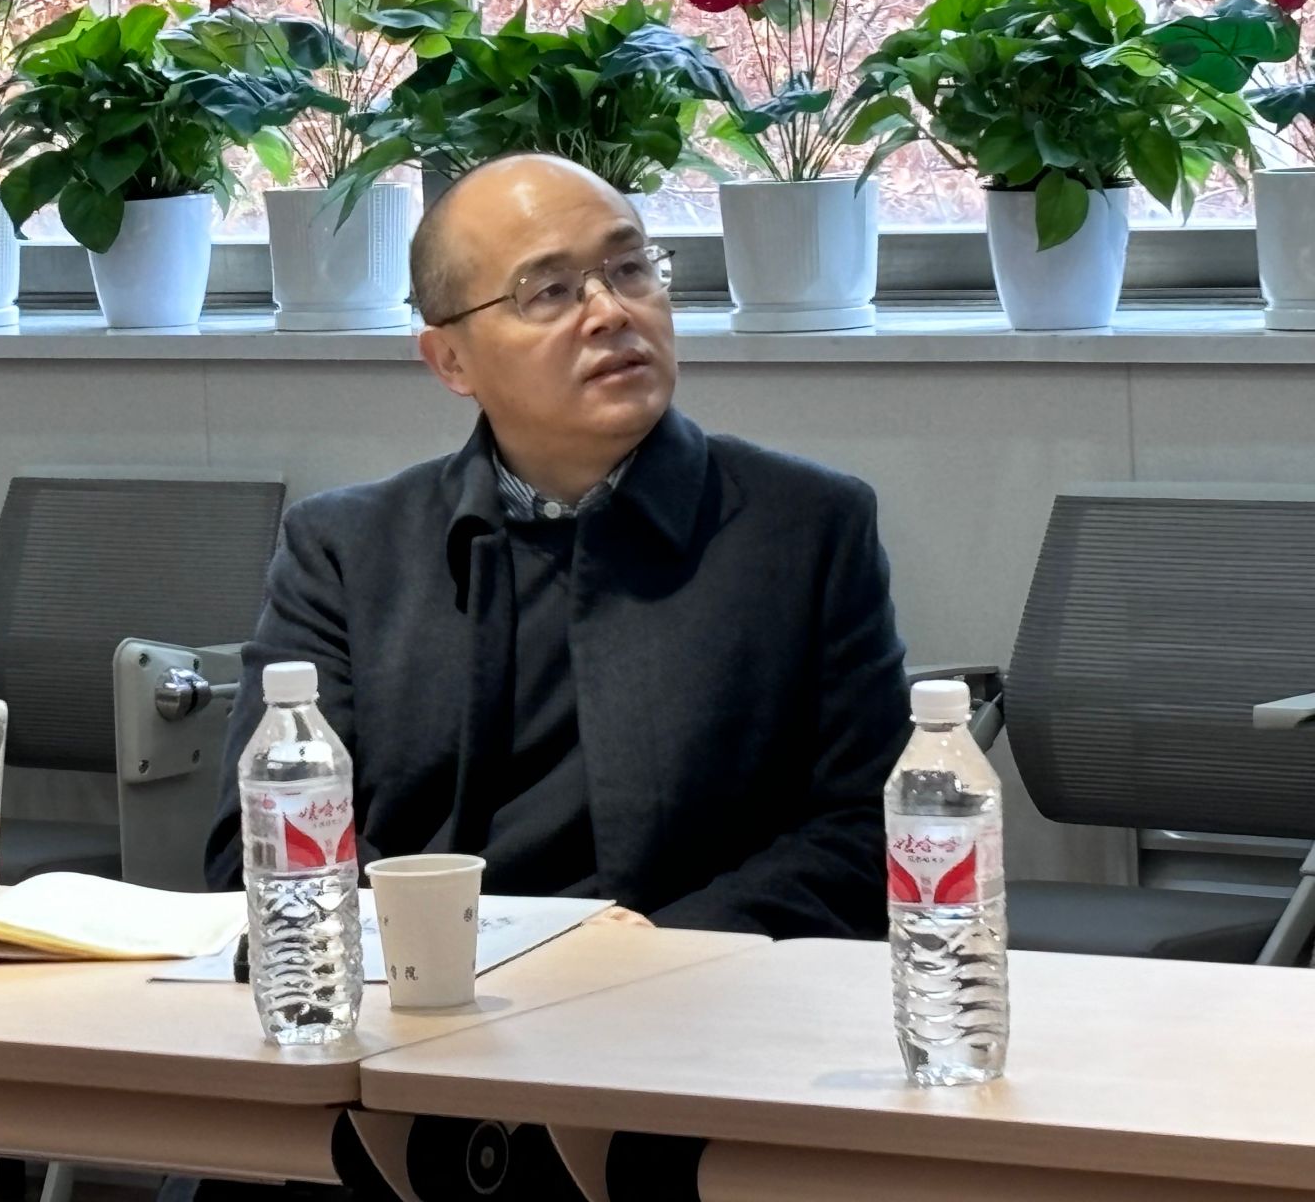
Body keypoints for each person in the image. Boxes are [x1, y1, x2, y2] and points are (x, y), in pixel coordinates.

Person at [203, 152, 911, 938]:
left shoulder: (806, 526)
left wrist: (663, 948)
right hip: (421, 983)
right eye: (550, 292)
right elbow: (262, 843)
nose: (610, 312)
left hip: (705, 979)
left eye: (631, 269)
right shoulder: (345, 551)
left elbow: (867, 831)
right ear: (451, 360)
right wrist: (436, 946)